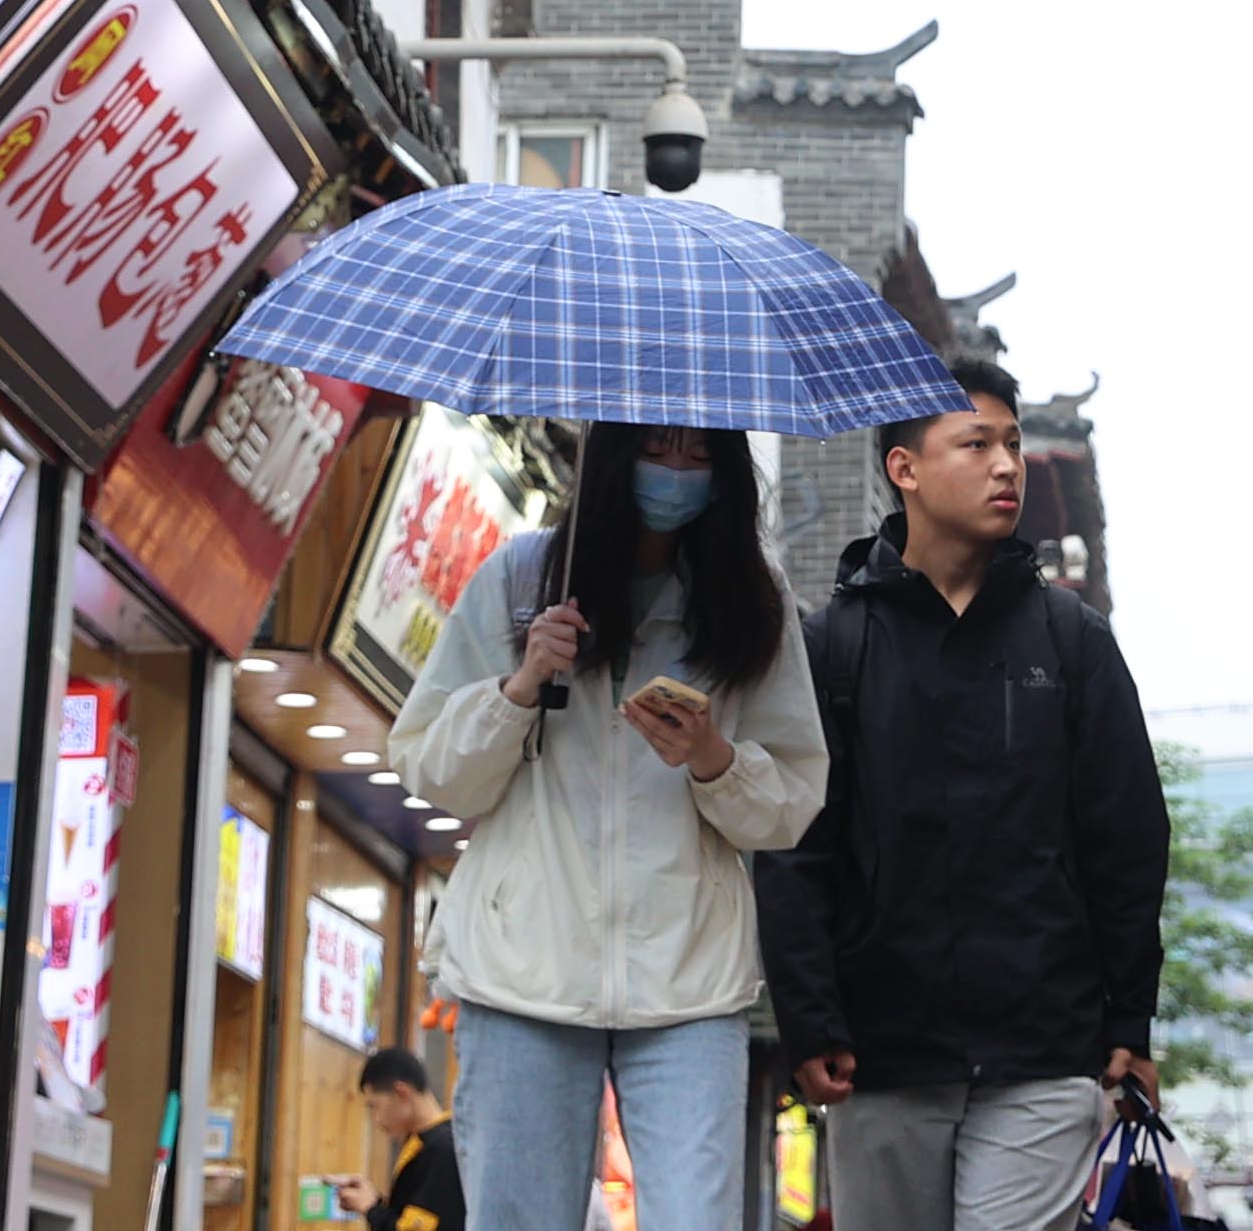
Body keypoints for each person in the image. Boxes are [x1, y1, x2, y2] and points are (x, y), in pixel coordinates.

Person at [762, 356, 1170, 1231]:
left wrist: (1129, 1017)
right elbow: (796, 846)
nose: (1007, 466)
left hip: (1044, 1049)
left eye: (1014, 445)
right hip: (882, 1049)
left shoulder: (1070, 642)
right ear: (903, 468)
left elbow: (1128, 837)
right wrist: (809, 1018)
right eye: (976, 443)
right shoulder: (834, 646)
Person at [389, 424, 829, 1231]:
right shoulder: (522, 579)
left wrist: (712, 760)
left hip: (689, 983)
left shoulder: (751, 605)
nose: (678, 473)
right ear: (616, 455)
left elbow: (794, 801)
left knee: (697, 1220)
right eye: (659, 450)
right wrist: (520, 684)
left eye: (701, 457)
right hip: (520, 971)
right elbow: (432, 769)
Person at [341, 1047, 464, 1231]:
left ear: (402, 1093)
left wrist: (371, 1209)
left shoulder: (443, 1149)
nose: (376, 1120)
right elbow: (411, 1216)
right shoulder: (424, 1142)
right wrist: (374, 1202)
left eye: (375, 1106)